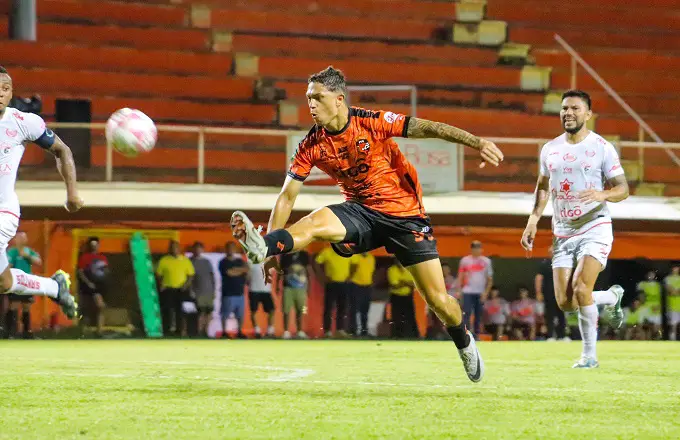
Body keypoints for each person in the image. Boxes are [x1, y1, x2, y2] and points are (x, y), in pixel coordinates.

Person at [230, 66, 503, 382]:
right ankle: (264, 245)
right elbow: (286, 197)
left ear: (339, 99)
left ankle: (463, 340)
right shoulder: (311, 144)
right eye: (308, 99)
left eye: (318, 98)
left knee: (439, 302)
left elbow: (429, 128)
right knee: (315, 221)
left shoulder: (371, 121)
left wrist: (476, 142)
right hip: (360, 212)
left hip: (405, 216)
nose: (311, 105)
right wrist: (272, 252)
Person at [521, 89, 628, 368]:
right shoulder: (550, 148)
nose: (568, 113)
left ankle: (589, 357)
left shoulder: (602, 147)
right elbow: (543, 186)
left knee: (581, 289)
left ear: (588, 114)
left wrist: (603, 194)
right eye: (564, 108)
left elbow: (623, 188)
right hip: (562, 232)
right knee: (566, 302)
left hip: (595, 226)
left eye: (575, 108)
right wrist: (533, 219)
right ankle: (612, 296)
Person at [0, 66, 80, 319]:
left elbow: (62, 150)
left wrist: (72, 193)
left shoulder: (22, 122)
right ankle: (54, 287)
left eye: (5, 88)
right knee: (3, 282)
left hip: (3, 211)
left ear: (11, 93)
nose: (0, 93)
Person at [5, 232, 42, 338]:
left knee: (27, 306)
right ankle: (10, 332)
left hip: (27, 282)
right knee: (14, 305)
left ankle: (27, 333)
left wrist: (28, 256)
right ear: (15, 239)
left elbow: (38, 262)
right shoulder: (12, 252)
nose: (22, 240)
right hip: (15, 282)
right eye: (19, 237)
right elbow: (7, 265)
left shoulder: (28, 251)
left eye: (23, 238)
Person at [156, 240, 195, 337]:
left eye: (176, 247)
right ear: (169, 249)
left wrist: (186, 285)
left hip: (182, 289)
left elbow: (191, 275)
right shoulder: (164, 260)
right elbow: (159, 274)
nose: (174, 249)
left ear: (179, 248)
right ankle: (167, 331)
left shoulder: (185, 260)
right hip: (168, 289)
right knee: (167, 310)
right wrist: (161, 284)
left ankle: (180, 330)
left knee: (181, 311)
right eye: (172, 247)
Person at [456, 241, 493, 336]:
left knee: (478, 314)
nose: (477, 250)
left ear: (481, 249)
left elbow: (489, 279)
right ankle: (466, 334)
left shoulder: (486, 261)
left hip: (480, 292)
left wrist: (486, 292)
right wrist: (458, 290)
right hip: (467, 291)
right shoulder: (465, 261)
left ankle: (476, 334)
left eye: (478, 248)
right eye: (475, 248)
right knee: (466, 313)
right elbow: (460, 276)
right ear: (471, 249)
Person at [315, 244, 352, 338]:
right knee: (328, 307)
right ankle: (327, 331)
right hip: (331, 283)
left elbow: (355, 264)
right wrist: (322, 277)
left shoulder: (347, 252)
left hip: (343, 283)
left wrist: (350, 276)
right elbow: (316, 262)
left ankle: (340, 330)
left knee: (342, 308)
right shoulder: (327, 252)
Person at [535, 248, 568, 342]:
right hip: (549, 294)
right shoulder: (545, 264)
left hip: (561, 294)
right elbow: (539, 278)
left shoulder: (563, 264)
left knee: (561, 315)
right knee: (549, 315)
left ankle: (562, 336)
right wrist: (538, 292)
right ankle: (550, 336)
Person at [78, 236, 109, 336]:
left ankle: (100, 330)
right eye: (92, 245)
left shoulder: (102, 258)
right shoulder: (85, 257)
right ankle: (85, 330)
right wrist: (88, 283)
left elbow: (106, 270)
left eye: (96, 244)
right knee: (93, 307)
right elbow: (80, 272)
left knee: (101, 307)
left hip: (101, 285)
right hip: (89, 286)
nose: (94, 246)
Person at [218, 241, 249, 339]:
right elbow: (229, 273)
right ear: (226, 249)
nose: (231, 250)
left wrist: (236, 270)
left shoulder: (240, 261)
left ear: (235, 249)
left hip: (240, 292)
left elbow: (247, 269)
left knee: (240, 315)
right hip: (228, 293)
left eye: (233, 248)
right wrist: (240, 270)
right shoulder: (223, 262)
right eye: (229, 248)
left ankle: (239, 331)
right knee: (225, 314)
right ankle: (224, 332)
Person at [387, 260, 419, 339]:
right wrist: (406, 283)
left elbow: (414, 283)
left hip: (408, 296)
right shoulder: (391, 270)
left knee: (410, 316)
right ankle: (397, 335)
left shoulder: (409, 269)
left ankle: (413, 335)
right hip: (396, 296)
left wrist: (402, 282)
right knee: (396, 316)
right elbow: (395, 285)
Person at [280, 251, 309, 339]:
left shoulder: (304, 254)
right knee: (286, 310)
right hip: (287, 287)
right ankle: (286, 332)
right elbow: (281, 270)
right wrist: (278, 284)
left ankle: (300, 331)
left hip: (301, 287)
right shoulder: (285, 255)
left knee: (301, 310)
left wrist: (308, 287)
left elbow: (308, 271)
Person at [190, 242, 215, 337]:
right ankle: (199, 332)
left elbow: (212, 276)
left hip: (209, 291)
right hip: (198, 291)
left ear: (202, 250)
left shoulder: (207, 262)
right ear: (193, 250)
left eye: (199, 249)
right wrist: (191, 290)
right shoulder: (190, 261)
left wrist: (213, 290)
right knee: (200, 312)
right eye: (196, 249)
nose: (197, 251)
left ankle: (206, 331)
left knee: (209, 312)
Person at [348, 251, 376, 337]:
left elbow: (372, 272)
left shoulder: (371, 258)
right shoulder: (354, 256)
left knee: (365, 310)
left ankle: (364, 331)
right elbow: (351, 270)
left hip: (367, 286)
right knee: (354, 309)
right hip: (356, 285)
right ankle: (353, 330)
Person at [248, 261, 276, 338]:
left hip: (266, 291)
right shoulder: (251, 262)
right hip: (254, 290)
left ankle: (270, 331)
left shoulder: (269, 261)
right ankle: (257, 330)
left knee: (272, 310)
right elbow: (248, 276)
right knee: (253, 311)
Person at [664, 264, 680, 340]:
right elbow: (670, 291)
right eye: (674, 268)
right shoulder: (667, 279)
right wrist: (676, 291)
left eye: (677, 268)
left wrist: (675, 292)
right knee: (673, 325)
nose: (675, 269)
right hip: (672, 305)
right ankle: (672, 340)